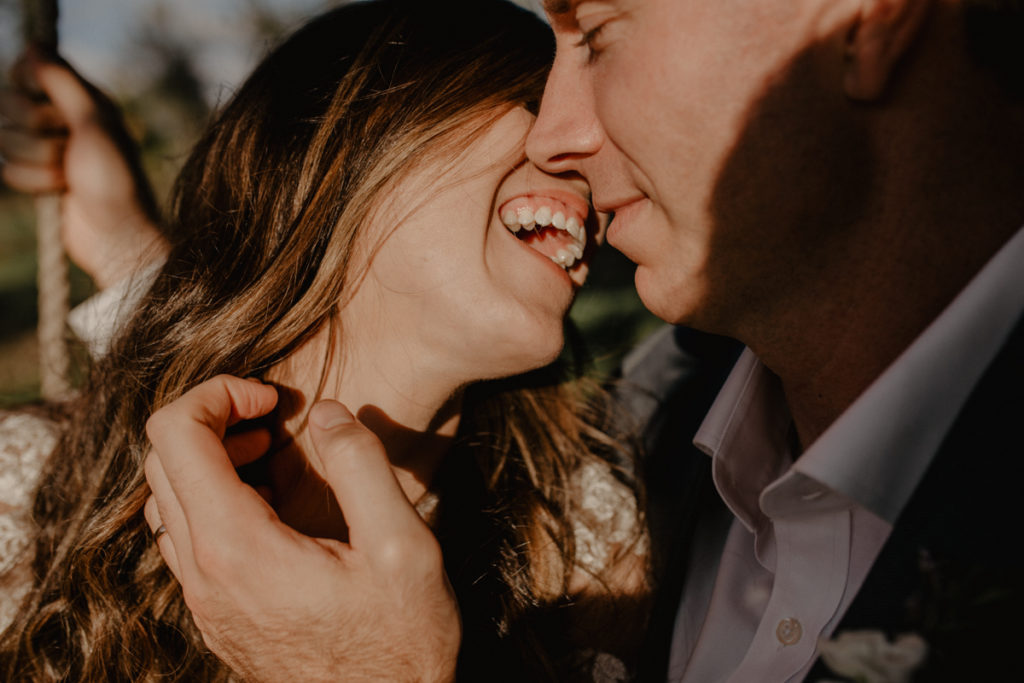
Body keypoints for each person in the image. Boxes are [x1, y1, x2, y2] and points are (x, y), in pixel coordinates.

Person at [76, 0, 1022, 681]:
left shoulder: (591, 536)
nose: (564, 134)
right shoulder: (661, 435)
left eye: (598, 31)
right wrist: (135, 257)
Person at [0, 1, 652, 680]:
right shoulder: (22, 500)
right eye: (530, 99)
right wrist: (121, 242)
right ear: (356, 133)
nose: (580, 153)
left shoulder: (578, 548)